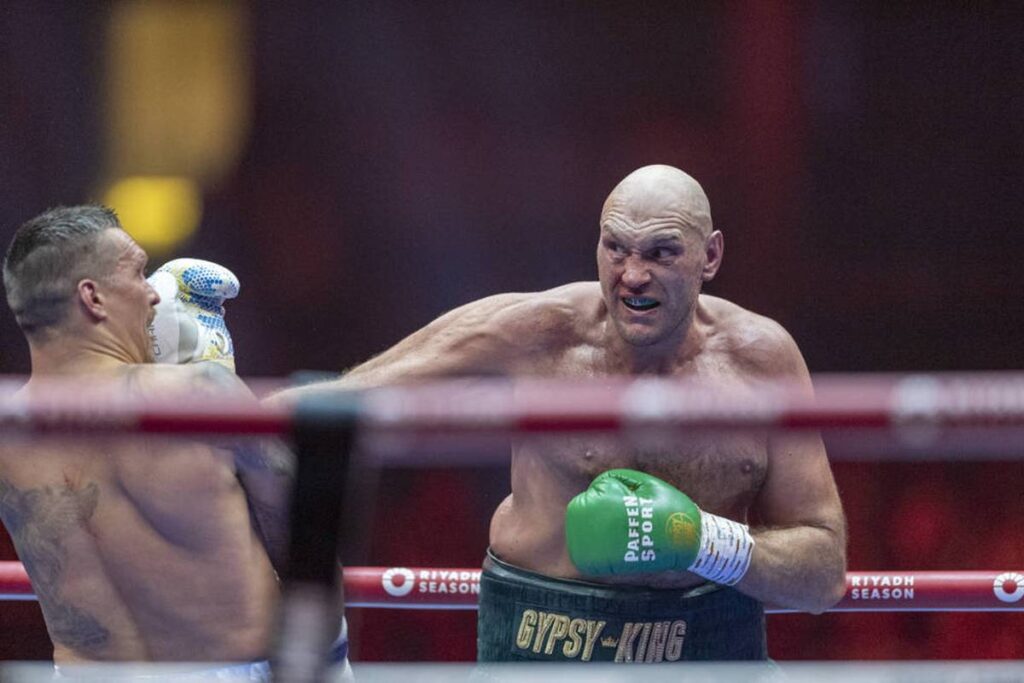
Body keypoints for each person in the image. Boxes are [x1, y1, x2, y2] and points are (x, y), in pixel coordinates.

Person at [275, 164, 848, 662]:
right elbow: (351, 394)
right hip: (542, 644)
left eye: (661, 252)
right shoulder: (539, 333)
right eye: (615, 247)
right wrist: (225, 401)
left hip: (712, 652)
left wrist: (703, 542)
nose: (633, 275)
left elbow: (822, 575)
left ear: (711, 256)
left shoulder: (761, 361)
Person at [0, 206, 291, 678]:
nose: (154, 293)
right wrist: (332, 658)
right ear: (92, 297)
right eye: (138, 272)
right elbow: (304, 531)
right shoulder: (201, 392)